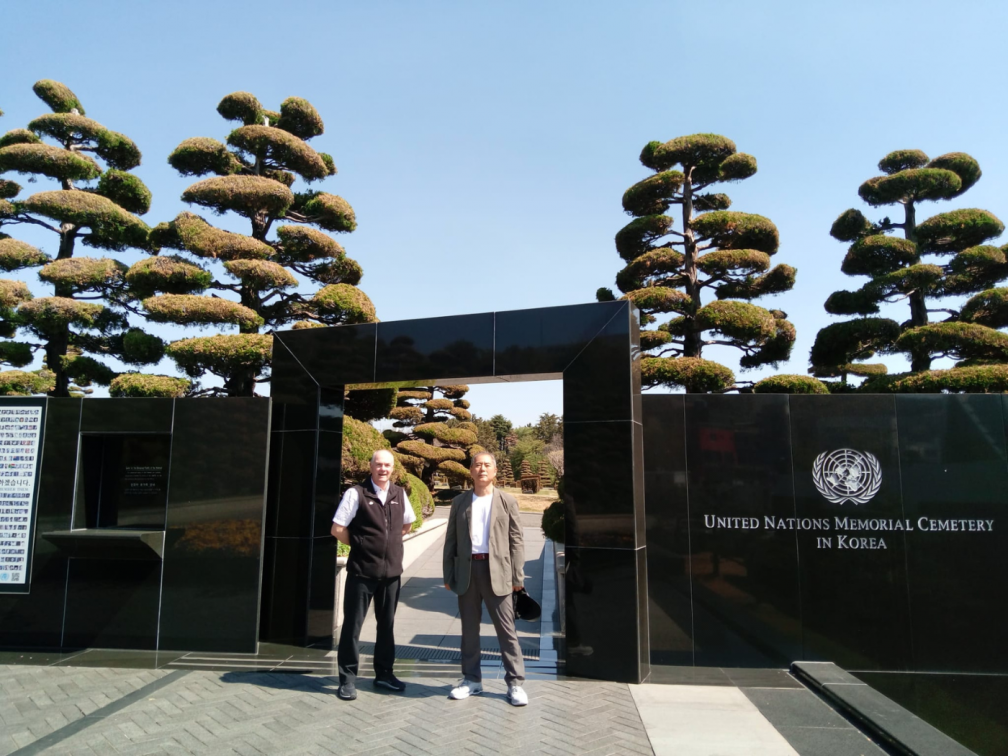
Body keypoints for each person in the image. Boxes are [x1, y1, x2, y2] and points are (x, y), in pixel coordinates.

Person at [443, 452, 528, 706]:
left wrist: (517, 576)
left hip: (498, 572)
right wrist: (448, 574)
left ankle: (515, 683)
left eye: (487, 465)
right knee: (469, 629)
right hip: (468, 572)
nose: (482, 469)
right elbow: (451, 541)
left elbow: (516, 541)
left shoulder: (507, 501)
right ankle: (471, 680)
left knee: (506, 630)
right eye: (477, 465)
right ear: (470, 471)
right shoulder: (460, 502)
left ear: (495, 471)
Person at [331, 449, 415, 701]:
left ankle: (385, 674)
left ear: (393, 468)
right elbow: (337, 528)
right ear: (370, 466)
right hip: (362, 573)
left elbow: (408, 524)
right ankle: (347, 679)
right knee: (352, 627)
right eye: (378, 464)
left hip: (391, 574)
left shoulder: (399, 494)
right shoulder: (355, 493)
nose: (383, 469)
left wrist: (390, 544)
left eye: (387, 465)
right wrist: (361, 545)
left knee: (386, 626)